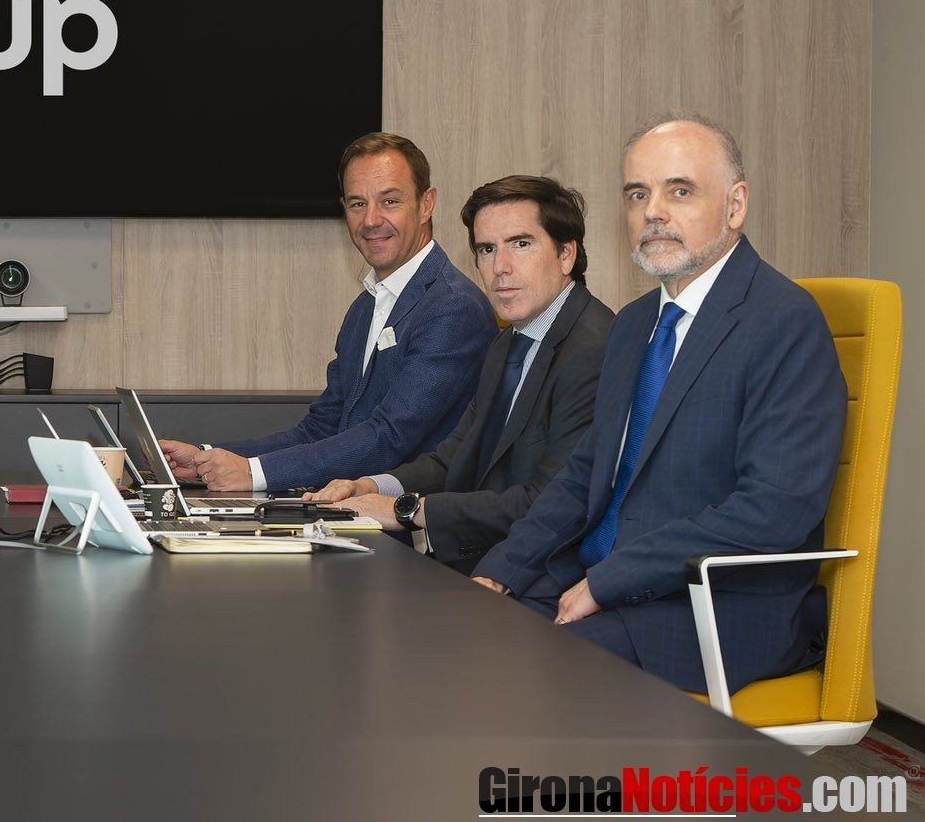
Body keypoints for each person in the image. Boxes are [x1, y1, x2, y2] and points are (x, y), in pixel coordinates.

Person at [471, 117, 845, 693]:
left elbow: (775, 508)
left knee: (520, 679)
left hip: (713, 607)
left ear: (736, 205)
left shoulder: (784, 321)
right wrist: (501, 570)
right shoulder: (634, 324)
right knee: (459, 641)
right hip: (608, 581)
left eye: (680, 190)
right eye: (637, 194)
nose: (653, 213)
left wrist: (611, 581)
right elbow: (584, 476)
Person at [309, 175, 614, 573]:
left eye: (521, 244)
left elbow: (549, 501)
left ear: (565, 254)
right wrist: (370, 485)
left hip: (546, 575)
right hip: (484, 558)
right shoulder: (510, 342)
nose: (500, 268)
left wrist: (406, 510)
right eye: (487, 249)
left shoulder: (595, 348)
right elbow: (453, 459)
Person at [160, 132, 494, 492]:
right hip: (353, 511)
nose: (371, 220)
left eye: (390, 201)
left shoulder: (453, 307)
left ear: (427, 204)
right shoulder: (365, 307)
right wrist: (206, 458)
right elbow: (320, 429)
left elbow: (389, 437)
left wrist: (253, 472)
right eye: (357, 204)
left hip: (413, 521)